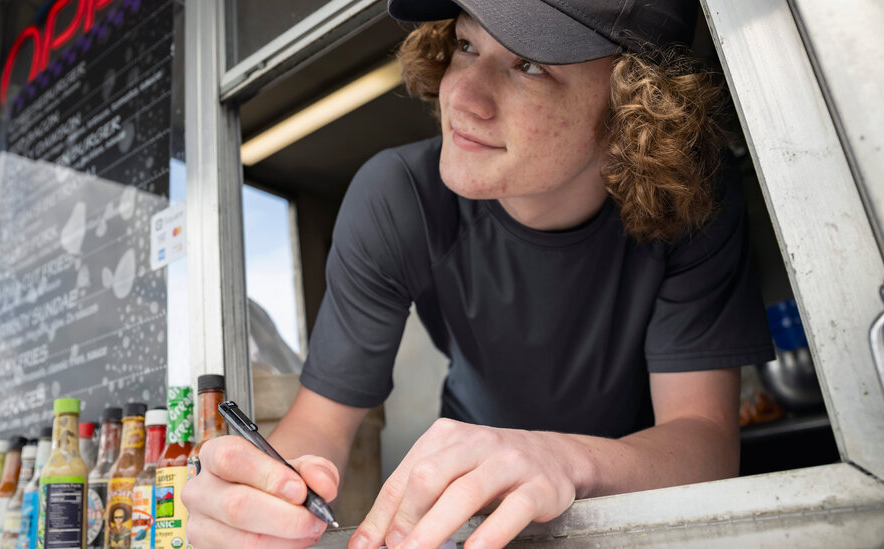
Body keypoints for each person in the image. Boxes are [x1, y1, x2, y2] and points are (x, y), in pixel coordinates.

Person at [181, 0, 775, 548]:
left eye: (530, 66)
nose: (462, 97)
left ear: (636, 109)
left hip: (636, 495)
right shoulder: (397, 197)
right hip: (473, 506)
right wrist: (255, 494)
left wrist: (564, 460)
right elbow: (321, 423)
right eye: (467, 44)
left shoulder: (692, 201)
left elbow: (703, 442)